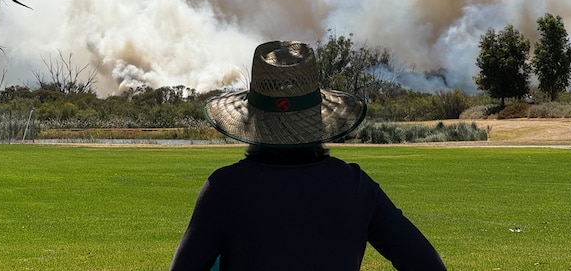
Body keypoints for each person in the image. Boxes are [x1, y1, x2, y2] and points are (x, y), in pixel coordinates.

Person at [170, 40, 448, 271]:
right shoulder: (356, 186)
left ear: (253, 119)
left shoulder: (225, 188)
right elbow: (426, 264)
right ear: (318, 118)